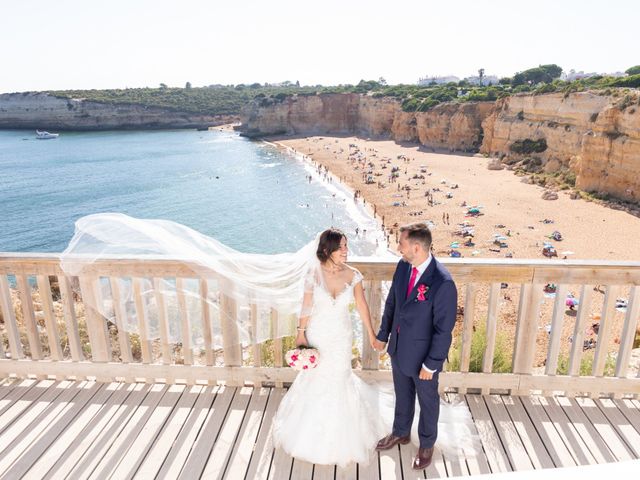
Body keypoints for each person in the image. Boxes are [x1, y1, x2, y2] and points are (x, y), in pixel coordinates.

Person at [272, 228, 385, 466]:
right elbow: (306, 306)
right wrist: (301, 335)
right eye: (341, 247)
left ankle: (345, 432)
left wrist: (373, 336)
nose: (346, 251)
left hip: (341, 336)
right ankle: (309, 433)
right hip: (319, 335)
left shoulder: (354, 275)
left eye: (346, 246)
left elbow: (363, 307)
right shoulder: (313, 273)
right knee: (316, 379)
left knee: (340, 378)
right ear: (327, 250)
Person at [373, 222, 458, 470]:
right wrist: (383, 334)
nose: (398, 247)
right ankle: (400, 431)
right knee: (402, 395)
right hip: (399, 349)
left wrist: (431, 365)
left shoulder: (443, 283)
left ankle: (426, 444)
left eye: (401, 243)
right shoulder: (403, 266)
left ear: (417, 247)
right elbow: (393, 303)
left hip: (424, 358)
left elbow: (444, 330)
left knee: (428, 401)